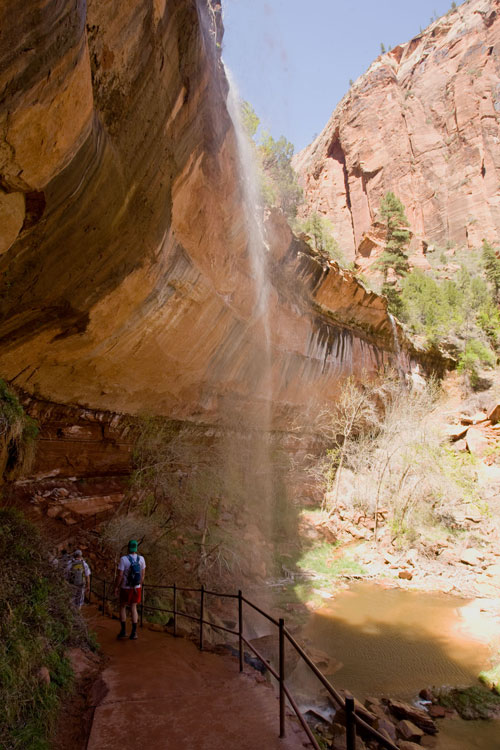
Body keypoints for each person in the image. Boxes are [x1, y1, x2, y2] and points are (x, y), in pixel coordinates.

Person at [114, 539, 146, 640]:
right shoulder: (141, 559)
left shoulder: (123, 559)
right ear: (136, 548)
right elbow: (143, 575)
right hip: (137, 587)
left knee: (123, 606)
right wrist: (139, 585)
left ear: (128, 547)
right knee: (133, 607)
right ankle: (134, 632)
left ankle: (123, 631)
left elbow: (120, 575)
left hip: (125, 587)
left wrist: (116, 587)